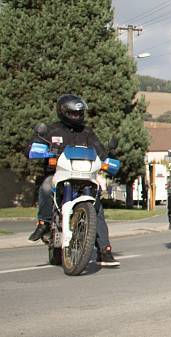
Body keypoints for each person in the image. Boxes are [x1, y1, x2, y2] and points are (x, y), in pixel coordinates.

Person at [27, 94, 119, 267]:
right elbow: (34, 145)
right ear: (63, 112)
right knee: (47, 186)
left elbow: (101, 152)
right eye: (72, 113)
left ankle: (104, 250)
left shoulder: (87, 133)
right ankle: (44, 223)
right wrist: (38, 149)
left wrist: (109, 159)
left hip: (83, 177)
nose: (76, 116)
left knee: (96, 205)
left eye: (79, 113)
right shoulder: (52, 130)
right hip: (58, 175)